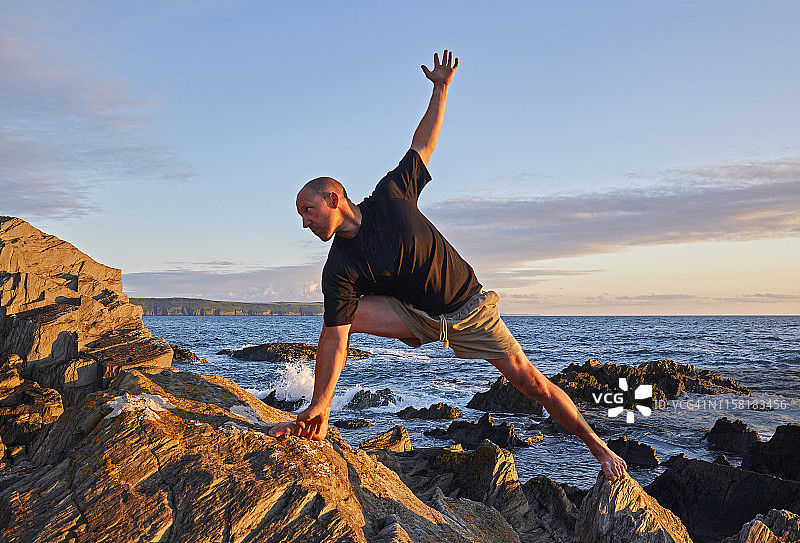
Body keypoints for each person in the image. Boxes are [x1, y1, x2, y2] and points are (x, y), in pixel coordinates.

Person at [269, 50, 627, 481]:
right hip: (416, 317)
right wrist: (319, 404)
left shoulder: (391, 196)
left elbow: (423, 144)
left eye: (307, 210)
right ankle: (322, 413)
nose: (304, 222)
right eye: (301, 215)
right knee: (338, 320)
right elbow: (336, 339)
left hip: (470, 309)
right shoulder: (339, 269)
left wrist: (440, 89)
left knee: (531, 383)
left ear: (333, 199)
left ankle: (600, 448)